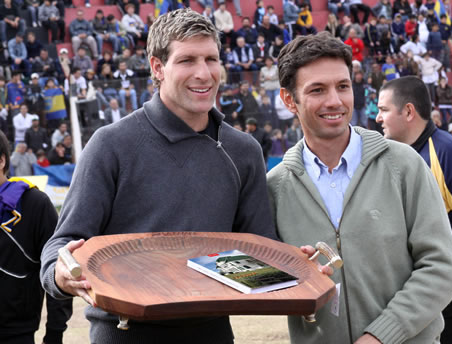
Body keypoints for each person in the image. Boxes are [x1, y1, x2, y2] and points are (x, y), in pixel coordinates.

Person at [40, 8, 276, 344]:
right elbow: (61, 245)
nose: (204, 73)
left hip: (212, 332)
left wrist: (297, 264)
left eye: (211, 59)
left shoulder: (244, 151)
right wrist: (60, 274)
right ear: (157, 68)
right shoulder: (110, 144)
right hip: (121, 332)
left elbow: (261, 252)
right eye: (187, 60)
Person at [267, 32, 452, 344]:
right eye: (317, 90)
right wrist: (294, 273)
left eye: (342, 86)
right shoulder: (275, 187)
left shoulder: (404, 165)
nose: (335, 101)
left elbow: (442, 268)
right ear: (289, 100)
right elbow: (267, 282)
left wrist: (379, 337)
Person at [376, 76, 452, 344]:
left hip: (451, 304)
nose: (378, 118)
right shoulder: (398, 157)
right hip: (417, 301)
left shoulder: (448, 153)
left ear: (409, 111)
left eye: (384, 109)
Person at [0, 131, 72, 343]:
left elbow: (60, 267)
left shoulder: (34, 204)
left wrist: (54, 334)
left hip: (16, 333)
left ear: (2, 160)